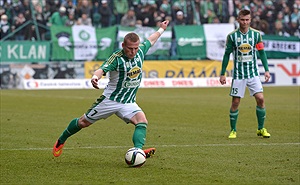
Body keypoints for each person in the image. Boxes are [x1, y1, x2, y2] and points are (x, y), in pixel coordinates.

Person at [53, 20, 170, 158]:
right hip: (110, 100)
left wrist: (161, 29)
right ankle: (61, 140)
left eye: (136, 48)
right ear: (123, 46)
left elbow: (151, 39)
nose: (133, 51)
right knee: (83, 122)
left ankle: (138, 150)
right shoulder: (116, 58)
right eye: (130, 48)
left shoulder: (140, 52)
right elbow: (102, 69)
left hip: (128, 101)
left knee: (142, 121)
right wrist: (95, 78)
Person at [219, 9, 271, 139]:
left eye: (247, 19)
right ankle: (233, 130)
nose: (245, 22)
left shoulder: (256, 35)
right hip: (238, 75)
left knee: (261, 99)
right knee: (235, 102)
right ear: (238, 20)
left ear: (250, 20)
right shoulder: (232, 36)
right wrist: (222, 73)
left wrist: (266, 69)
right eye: (242, 19)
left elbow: (262, 53)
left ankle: (261, 128)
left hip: (253, 73)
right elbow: (226, 55)